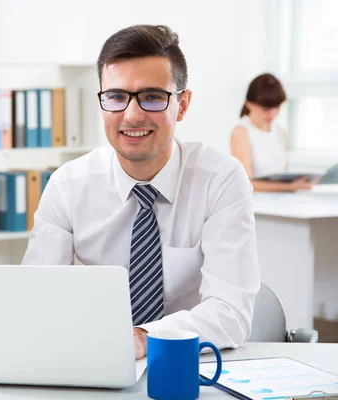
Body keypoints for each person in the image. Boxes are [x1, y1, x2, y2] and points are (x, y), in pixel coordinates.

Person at [23, 25, 260, 360]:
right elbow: (35, 298)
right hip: (91, 361)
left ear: (182, 104)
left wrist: (145, 337)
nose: (132, 115)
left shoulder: (220, 180)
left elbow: (231, 312)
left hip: (188, 365)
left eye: (152, 97)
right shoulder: (67, 186)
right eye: (117, 97)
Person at [231, 73, 318, 191]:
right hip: (256, 204)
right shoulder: (241, 132)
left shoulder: (280, 132)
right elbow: (246, 183)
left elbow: (283, 174)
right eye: (265, 109)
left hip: (280, 201)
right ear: (249, 104)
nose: (272, 114)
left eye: (277, 108)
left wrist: (297, 183)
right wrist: (291, 187)